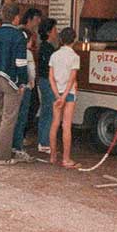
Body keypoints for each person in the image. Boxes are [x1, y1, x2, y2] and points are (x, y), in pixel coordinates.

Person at [0, 3, 28, 165]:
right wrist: (22, 82)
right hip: (11, 80)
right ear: (16, 18)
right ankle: (2, 156)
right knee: (9, 119)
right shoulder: (19, 36)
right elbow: (21, 63)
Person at [48, 27, 81, 169]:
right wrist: (66, 96)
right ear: (74, 40)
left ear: (61, 39)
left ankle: (52, 155)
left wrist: (58, 95)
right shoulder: (75, 57)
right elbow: (72, 78)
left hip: (57, 93)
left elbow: (51, 77)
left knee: (54, 124)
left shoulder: (54, 55)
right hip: (70, 94)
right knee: (66, 126)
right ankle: (66, 159)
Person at [11, 29, 36, 162]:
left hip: (12, 86)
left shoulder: (11, 50)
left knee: (11, 117)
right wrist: (31, 82)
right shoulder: (28, 54)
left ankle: (9, 145)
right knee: (21, 118)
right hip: (24, 87)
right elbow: (31, 71)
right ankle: (18, 147)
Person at [37, 18, 58, 154]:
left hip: (44, 81)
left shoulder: (45, 47)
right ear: (49, 32)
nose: (57, 32)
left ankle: (43, 140)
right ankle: (45, 142)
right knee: (49, 111)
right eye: (55, 29)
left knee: (46, 111)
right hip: (48, 82)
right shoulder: (47, 48)